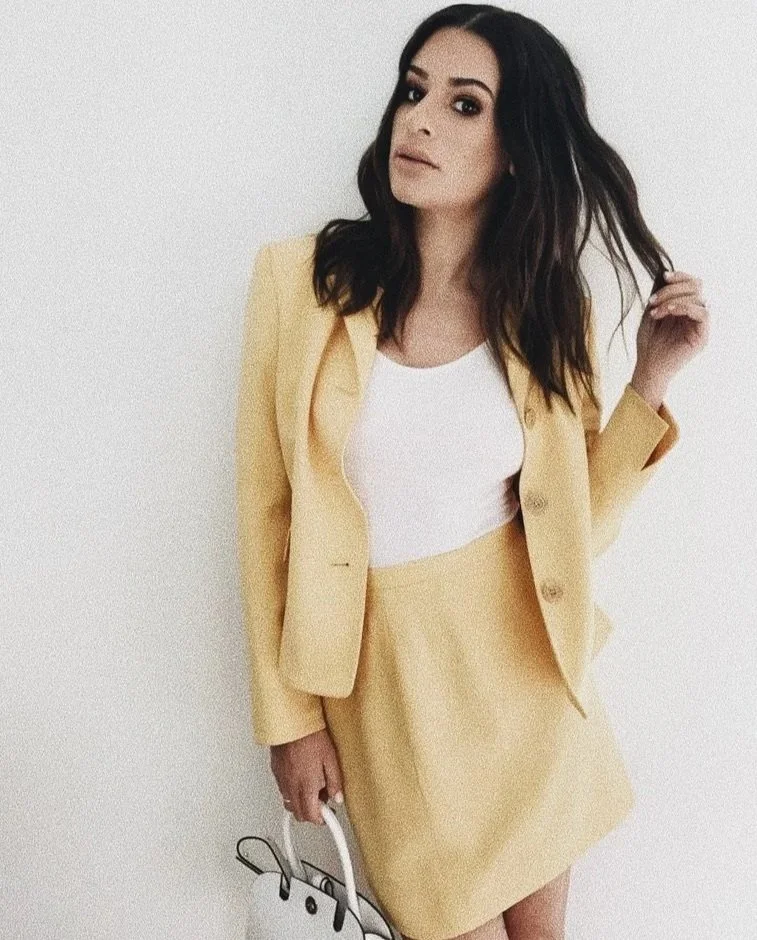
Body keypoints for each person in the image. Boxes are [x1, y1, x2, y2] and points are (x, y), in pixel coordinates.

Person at [235, 6, 709, 940]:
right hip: (390, 697)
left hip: (527, 683)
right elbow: (264, 513)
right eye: (413, 91)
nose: (417, 120)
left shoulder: (547, 307)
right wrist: (287, 720)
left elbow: (572, 527)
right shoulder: (301, 285)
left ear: (518, 149)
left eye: (464, 105)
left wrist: (649, 381)